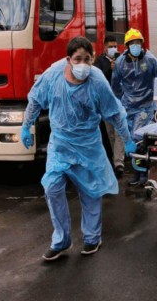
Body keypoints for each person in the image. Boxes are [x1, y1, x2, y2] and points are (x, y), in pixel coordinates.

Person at [20, 37, 136, 261]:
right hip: (60, 144)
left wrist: (127, 138)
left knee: (90, 192)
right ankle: (61, 240)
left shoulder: (97, 81)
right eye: (77, 59)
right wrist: (26, 126)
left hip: (87, 145)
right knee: (52, 187)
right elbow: (35, 99)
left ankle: (92, 237)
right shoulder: (53, 75)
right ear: (68, 59)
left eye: (87, 59)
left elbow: (115, 112)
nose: (82, 64)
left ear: (92, 59)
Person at [111, 28, 157, 186]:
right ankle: (137, 172)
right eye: (133, 43)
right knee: (130, 139)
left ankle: (142, 173)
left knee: (140, 140)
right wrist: (117, 104)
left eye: (138, 42)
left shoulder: (149, 59)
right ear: (127, 45)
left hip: (145, 106)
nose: (136, 45)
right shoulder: (120, 63)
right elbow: (115, 86)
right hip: (128, 107)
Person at [94, 35, 125, 178]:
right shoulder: (99, 61)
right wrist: (110, 69)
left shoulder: (121, 59)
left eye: (115, 46)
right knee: (110, 133)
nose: (113, 49)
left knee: (119, 132)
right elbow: (99, 79)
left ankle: (119, 163)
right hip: (105, 103)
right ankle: (115, 159)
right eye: (110, 46)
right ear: (105, 47)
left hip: (119, 101)